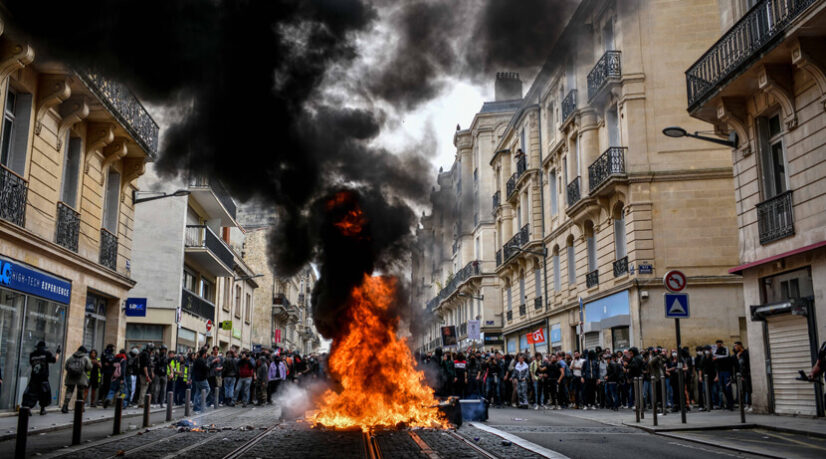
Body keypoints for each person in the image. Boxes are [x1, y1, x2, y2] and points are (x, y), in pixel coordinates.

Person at [22, 341, 60, 415]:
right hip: (43, 379)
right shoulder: (46, 354)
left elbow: (31, 363)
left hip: (34, 378)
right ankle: (42, 409)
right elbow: (55, 360)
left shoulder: (32, 355)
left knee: (31, 395)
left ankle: (28, 409)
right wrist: (58, 353)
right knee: (44, 394)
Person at [62, 346, 92, 413]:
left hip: (71, 377)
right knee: (80, 393)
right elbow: (90, 367)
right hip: (81, 378)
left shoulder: (71, 357)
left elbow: (66, 366)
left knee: (69, 391)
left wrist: (72, 371)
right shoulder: (85, 358)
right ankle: (79, 408)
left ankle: (65, 406)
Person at [713, 339, 734, 410]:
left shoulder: (726, 349)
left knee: (728, 388)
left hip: (726, 371)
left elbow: (726, 356)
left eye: (719, 344)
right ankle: (728, 403)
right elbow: (714, 359)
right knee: (723, 389)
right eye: (717, 344)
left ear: (722, 343)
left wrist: (717, 357)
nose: (718, 345)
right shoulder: (716, 350)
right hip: (720, 371)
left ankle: (731, 404)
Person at [734, 341, 752, 412]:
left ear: (740, 346)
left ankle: (750, 404)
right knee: (745, 390)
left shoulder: (745, 353)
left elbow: (747, 364)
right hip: (743, 375)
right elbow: (740, 365)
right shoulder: (738, 354)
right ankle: (747, 404)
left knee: (749, 390)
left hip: (747, 374)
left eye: (736, 346)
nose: (735, 347)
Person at [192, 348, 210, 413]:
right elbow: (206, 368)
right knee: (207, 389)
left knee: (197, 392)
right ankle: (199, 403)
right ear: (204, 354)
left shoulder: (196, 360)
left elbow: (193, 369)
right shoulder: (203, 360)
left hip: (196, 379)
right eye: (206, 353)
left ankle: (195, 406)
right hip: (202, 378)